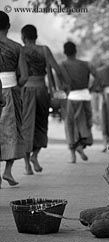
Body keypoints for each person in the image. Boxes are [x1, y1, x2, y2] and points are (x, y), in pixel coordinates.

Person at [21, 24, 65, 174]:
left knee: (26, 126)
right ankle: (35, 156)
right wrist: (61, 88)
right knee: (41, 125)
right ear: (36, 36)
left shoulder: (20, 50)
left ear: (23, 37)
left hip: (25, 91)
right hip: (41, 91)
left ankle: (27, 164)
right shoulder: (44, 50)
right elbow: (57, 70)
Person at [0, 11, 28, 188]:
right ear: (8, 26)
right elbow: (24, 76)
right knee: (12, 131)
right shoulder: (17, 47)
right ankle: (8, 171)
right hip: (10, 90)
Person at [61, 41, 100, 163]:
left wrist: (64, 91)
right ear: (76, 51)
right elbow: (98, 77)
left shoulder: (63, 65)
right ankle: (80, 147)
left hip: (71, 97)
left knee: (71, 126)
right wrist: (92, 89)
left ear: (64, 52)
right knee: (85, 124)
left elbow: (59, 83)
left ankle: (73, 156)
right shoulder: (86, 64)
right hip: (85, 96)